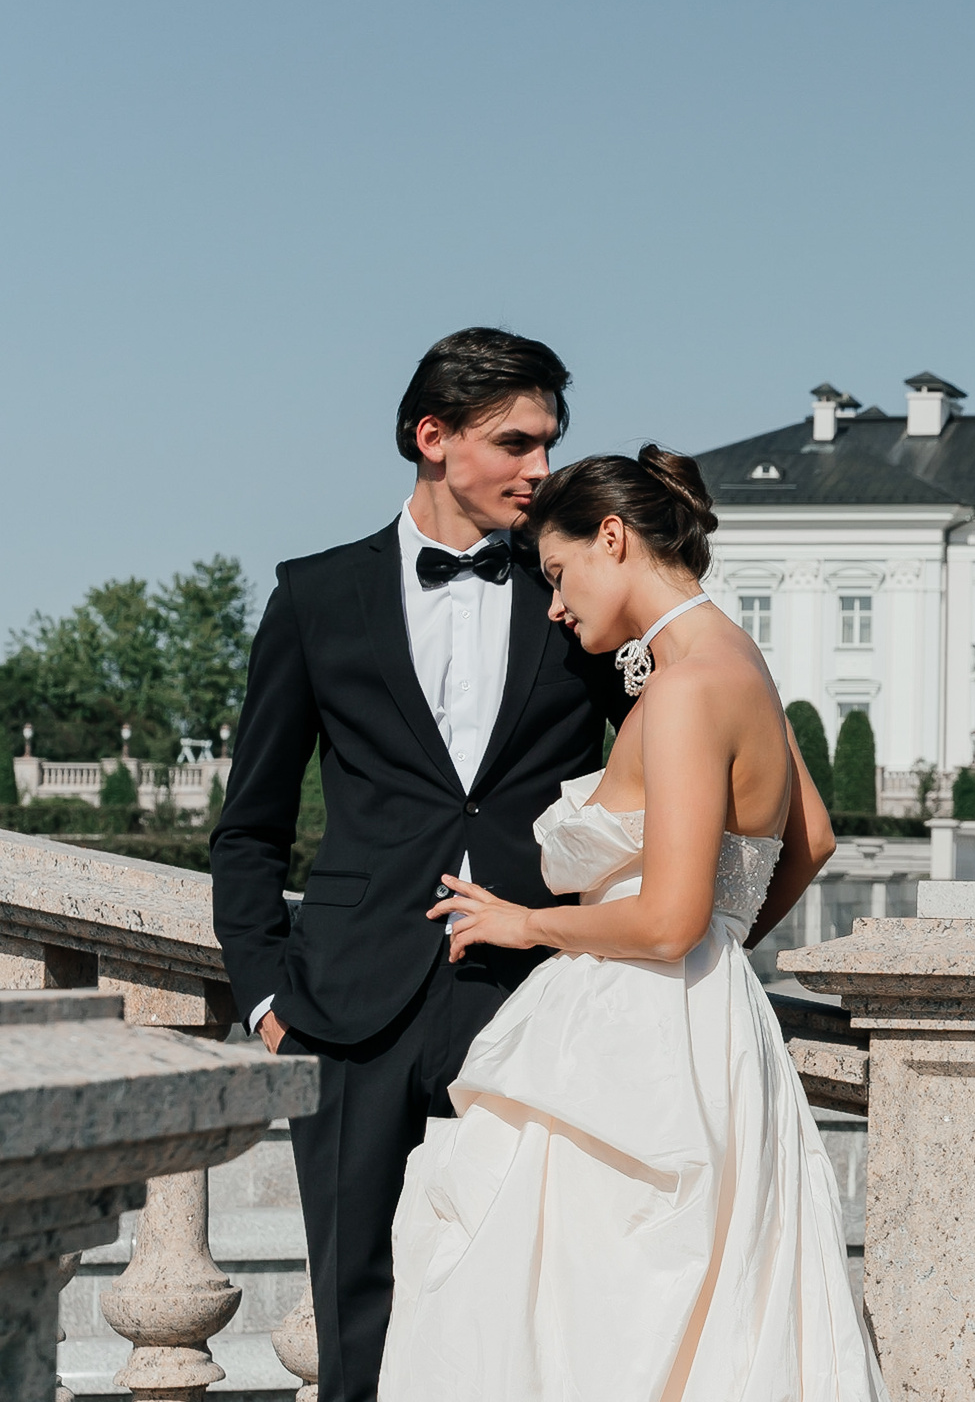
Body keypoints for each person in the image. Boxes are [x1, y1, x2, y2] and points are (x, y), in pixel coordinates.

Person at [376, 445, 882, 1398]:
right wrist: (725, 948)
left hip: (632, 1038)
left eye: (560, 574)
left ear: (614, 536)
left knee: (583, 1315)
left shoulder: (685, 687)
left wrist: (528, 924)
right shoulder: (738, 659)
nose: (556, 608)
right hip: (707, 1026)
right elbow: (811, 836)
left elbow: (664, 922)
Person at [212, 328, 626, 1402]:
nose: (542, 470)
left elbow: (681, 757)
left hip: (536, 1000)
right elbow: (248, 827)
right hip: (347, 1009)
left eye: (549, 444)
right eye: (517, 444)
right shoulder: (313, 598)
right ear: (431, 437)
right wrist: (265, 994)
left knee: (532, 1313)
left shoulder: (572, 595)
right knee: (356, 1311)